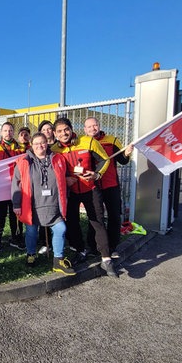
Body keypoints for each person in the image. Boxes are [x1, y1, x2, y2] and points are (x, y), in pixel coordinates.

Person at [51, 118, 118, 278]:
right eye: (59, 131)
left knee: (97, 221)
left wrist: (97, 174)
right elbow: (51, 170)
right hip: (70, 192)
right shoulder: (54, 149)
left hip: (91, 189)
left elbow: (104, 159)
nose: (63, 133)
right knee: (72, 222)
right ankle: (81, 250)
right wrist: (65, 178)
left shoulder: (88, 141)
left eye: (66, 129)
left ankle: (106, 258)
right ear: (55, 134)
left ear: (71, 129)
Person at [11, 133, 74, 273]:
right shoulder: (23, 161)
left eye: (43, 142)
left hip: (53, 205)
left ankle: (58, 260)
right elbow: (16, 184)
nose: (40, 146)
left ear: (47, 143)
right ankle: (31, 254)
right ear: (32, 146)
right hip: (32, 206)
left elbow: (65, 178)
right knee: (32, 231)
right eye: (37, 143)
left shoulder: (58, 159)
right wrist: (16, 204)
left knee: (60, 229)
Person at [83, 117, 134, 259]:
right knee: (94, 218)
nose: (93, 128)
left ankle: (112, 246)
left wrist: (127, 153)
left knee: (114, 216)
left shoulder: (112, 140)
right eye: (89, 127)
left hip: (111, 185)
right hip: (93, 186)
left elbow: (123, 160)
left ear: (99, 126)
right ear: (85, 130)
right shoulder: (83, 143)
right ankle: (92, 246)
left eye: (95, 125)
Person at [0, 121, 25, 251]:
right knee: (0, 214)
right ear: (1, 132)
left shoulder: (20, 148)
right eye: (5, 130)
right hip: (0, 188)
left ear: (13, 132)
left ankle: (16, 237)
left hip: (16, 187)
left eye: (10, 130)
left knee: (16, 213)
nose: (8, 133)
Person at [36, 119, 56, 254]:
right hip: (42, 189)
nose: (47, 131)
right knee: (43, 214)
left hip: (55, 188)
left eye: (49, 129)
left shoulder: (58, 147)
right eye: (44, 130)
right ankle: (45, 242)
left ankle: (59, 241)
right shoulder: (36, 148)